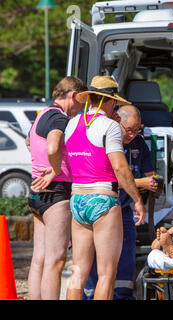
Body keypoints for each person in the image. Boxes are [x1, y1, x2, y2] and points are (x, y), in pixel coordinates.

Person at [64, 76, 147, 300]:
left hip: (78, 198)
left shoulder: (71, 123)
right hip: (103, 199)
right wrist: (137, 200)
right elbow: (120, 168)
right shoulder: (110, 126)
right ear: (109, 101)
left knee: (79, 271)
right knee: (107, 273)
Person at [83, 105, 158, 300]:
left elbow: (151, 176)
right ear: (117, 123)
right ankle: (90, 295)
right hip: (98, 207)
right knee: (93, 258)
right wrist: (139, 182)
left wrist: (147, 183)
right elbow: (110, 177)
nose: (132, 134)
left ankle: (123, 295)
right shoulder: (104, 138)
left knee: (126, 256)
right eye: (129, 129)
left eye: (137, 129)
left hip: (124, 209)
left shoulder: (139, 144)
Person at [26, 76, 87, 300]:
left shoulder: (41, 114)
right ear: (72, 96)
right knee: (56, 259)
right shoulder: (59, 118)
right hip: (56, 194)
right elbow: (53, 147)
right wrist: (54, 169)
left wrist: (43, 166)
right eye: (81, 103)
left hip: (36, 194)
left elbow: (29, 142)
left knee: (39, 259)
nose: (80, 110)